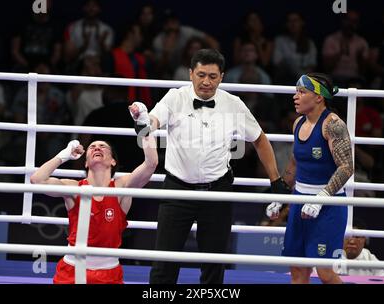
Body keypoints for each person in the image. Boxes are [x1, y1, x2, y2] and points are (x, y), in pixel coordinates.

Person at [146, 48, 290, 284]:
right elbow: (152, 123)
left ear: (222, 77)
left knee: (214, 264)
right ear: (191, 73)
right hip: (177, 190)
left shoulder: (233, 104)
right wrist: (143, 122)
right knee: (164, 263)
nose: (206, 81)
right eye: (201, 74)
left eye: (212, 76)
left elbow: (260, 139)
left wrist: (275, 180)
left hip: (217, 191)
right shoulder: (175, 97)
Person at [30, 103, 158, 284]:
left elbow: (151, 163)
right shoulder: (74, 188)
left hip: (109, 273)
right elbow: (37, 180)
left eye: (103, 146)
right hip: (71, 270)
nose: (97, 147)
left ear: (113, 161)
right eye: (92, 146)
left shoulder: (122, 188)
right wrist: (64, 154)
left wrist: (144, 126)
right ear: (85, 162)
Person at [266, 72, 354, 284]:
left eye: (302, 92)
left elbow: (347, 167)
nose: (296, 96)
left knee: (325, 273)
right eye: (296, 91)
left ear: (318, 97)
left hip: (328, 206)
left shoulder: (333, 125)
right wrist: (281, 196)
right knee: (297, 271)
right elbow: (295, 163)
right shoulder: (297, 124)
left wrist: (321, 197)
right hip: (298, 202)